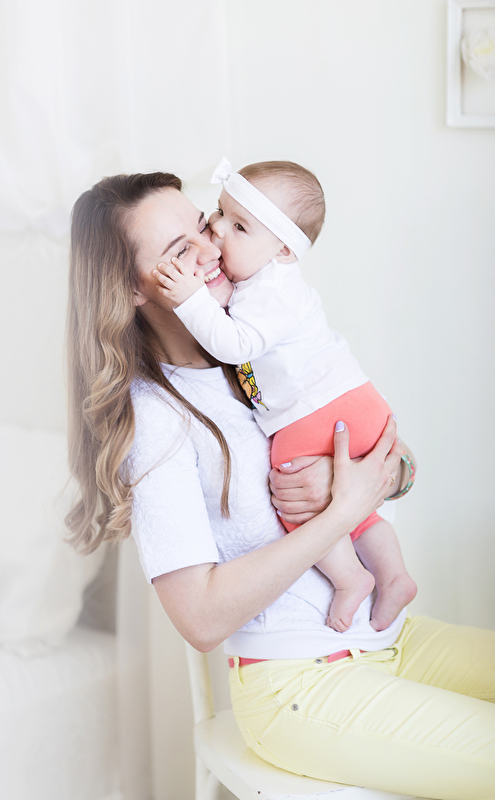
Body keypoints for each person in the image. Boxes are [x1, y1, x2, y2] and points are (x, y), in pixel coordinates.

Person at [66, 171, 495, 800]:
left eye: (206, 225)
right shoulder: (156, 418)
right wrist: (339, 511)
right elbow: (200, 619)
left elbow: (395, 459)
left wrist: (363, 479)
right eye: (180, 250)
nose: (212, 248)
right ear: (130, 287)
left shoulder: (258, 348)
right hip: (299, 685)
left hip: (388, 638)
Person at [151, 157, 417, 634]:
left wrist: (190, 298)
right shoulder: (159, 407)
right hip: (354, 401)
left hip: (322, 410)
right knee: (350, 513)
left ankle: (351, 578)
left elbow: (234, 345)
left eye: (237, 227)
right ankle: (393, 575)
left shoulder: (267, 293)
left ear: (284, 251)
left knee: (291, 488)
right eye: (218, 214)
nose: (215, 234)